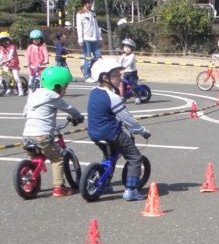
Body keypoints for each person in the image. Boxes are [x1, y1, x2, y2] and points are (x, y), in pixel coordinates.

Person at [87, 58, 152, 201]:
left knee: (110, 154)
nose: (120, 78)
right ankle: (131, 190)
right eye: (116, 75)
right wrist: (142, 131)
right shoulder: (112, 97)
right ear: (105, 77)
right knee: (135, 157)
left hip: (94, 133)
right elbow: (127, 118)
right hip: (110, 133)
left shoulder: (93, 91)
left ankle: (104, 182)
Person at [22, 66, 84, 197]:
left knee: (36, 158)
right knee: (57, 159)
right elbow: (69, 108)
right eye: (65, 87)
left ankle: (30, 182)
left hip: (27, 135)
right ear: (57, 86)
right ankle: (59, 188)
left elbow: (25, 113)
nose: (65, 90)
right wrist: (78, 117)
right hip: (43, 136)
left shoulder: (33, 94)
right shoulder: (53, 96)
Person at [76, 0, 102, 81]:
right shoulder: (80, 13)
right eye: (89, 3)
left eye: (91, 3)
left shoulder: (93, 13)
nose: (90, 4)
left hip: (94, 38)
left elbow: (96, 25)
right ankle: (87, 75)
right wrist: (80, 39)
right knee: (88, 57)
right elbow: (79, 27)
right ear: (84, 3)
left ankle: (86, 68)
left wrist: (99, 37)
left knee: (98, 56)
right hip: (86, 39)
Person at [0, 31, 24, 96]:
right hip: (7, 64)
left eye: (6, 40)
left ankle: (21, 90)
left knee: (16, 77)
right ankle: (10, 89)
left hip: (14, 64)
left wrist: (7, 60)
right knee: (8, 77)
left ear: (9, 40)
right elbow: (1, 55)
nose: (5, 42)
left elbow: (10, 55)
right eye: (3, 41)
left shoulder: (12, 46)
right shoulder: (2, 47)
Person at [118, 38, 139, 103]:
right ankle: (124, 97)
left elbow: (129, 63)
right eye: (125, 47)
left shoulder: (132, 55)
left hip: (132, 72)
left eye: (129, 47)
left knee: (133, 85)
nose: (126, 48)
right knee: (123, 85)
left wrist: (123, 67)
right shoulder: (123, 55)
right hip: (125, 73)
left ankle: (137, 97)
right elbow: (119, 61)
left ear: (132, 48)